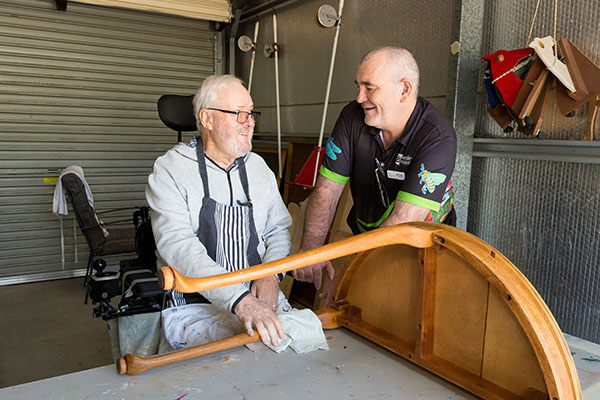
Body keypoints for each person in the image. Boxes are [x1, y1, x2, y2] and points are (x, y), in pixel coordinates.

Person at [293, 46, 457, 291]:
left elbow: (402, 223)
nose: (359, 98)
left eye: (369, 87)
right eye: (358, 86)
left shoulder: (438, 137)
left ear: (404, 90)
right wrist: (311, 250)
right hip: (366, 233)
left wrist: (348, 277)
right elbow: (327, 190)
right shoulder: (352, 117)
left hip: (422, 248)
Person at [146, 75, 292, 348]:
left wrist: (271, 274)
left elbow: (278, 229)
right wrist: (239, 300)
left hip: (259, 296)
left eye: (251, 113)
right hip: (194, 307)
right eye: (239, 114)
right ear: (207, 119)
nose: (249, 123)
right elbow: (179, 246)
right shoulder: (170, 170)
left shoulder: (259, 167)